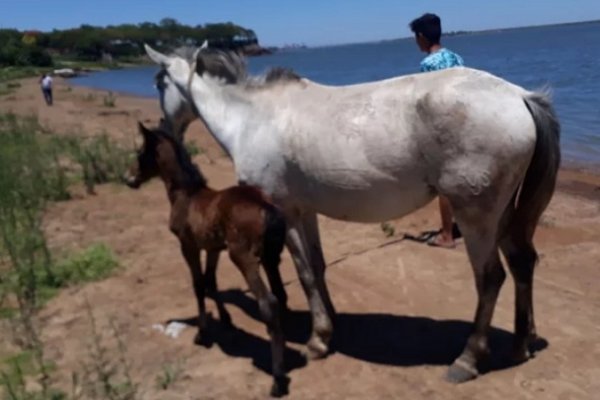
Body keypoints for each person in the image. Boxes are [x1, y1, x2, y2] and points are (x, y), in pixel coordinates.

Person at [410, 13, 464, 248]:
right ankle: (460, 225)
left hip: (443, 127)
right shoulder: (457, 57)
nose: (416, 42)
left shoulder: (427, 65)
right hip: (463, 122)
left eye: (415, 37)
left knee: (444, 183)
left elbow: (425, 101)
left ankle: (446, 234)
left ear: (422, 37)